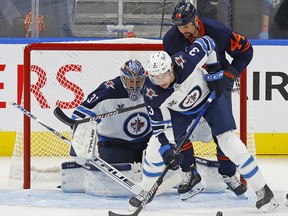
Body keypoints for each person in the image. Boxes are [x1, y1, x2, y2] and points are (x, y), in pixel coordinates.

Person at [130, 36, 279, 212]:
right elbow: (158, 127)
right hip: (180, 112)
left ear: (171, 67)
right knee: (155, 146)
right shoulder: (151, 93)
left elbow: (208, 42)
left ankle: (263, 190)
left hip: (210, 99)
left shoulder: (184, 61)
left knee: (228, 141)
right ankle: (147, 191)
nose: (161, 81)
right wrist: (166, 150)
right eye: (156, 77)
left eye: (163, 75)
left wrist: (215, 73)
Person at [162, 0, 252, 197]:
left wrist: (230, 74)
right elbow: (174, 72)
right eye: (178, 26)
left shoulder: (217, 30)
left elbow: (246, 51)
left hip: (217, 83)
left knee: (223, 132)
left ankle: (228, 174)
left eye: (185, 26)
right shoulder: (171, 40)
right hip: (189, 88)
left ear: (195, 20)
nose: (182, 30)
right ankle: (189, 172)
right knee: (180, 132)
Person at [60, 59, 152, 196]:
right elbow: (80, 114)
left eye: (138, 81)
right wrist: (81, 139)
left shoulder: (153, 86)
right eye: (129, 81)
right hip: (114, 144)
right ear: (122, 78)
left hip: (147, 142)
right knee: (114, 185)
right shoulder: (108, 90)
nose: (134, 85)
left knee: (165, 170)